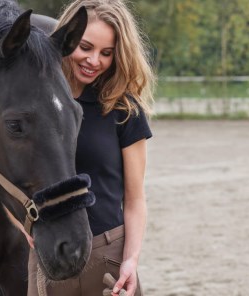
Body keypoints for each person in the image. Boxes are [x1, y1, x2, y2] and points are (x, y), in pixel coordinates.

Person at [27, 0, 155, 295]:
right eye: (85, 47)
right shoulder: (36, 101)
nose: (94, 60)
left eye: (106, 53)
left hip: (108, 257)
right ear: (67, 39)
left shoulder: (124, 109)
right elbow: (9, 170)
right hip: (49, 258)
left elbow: (135, 200)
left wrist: (130, 261)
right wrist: (24, 225)